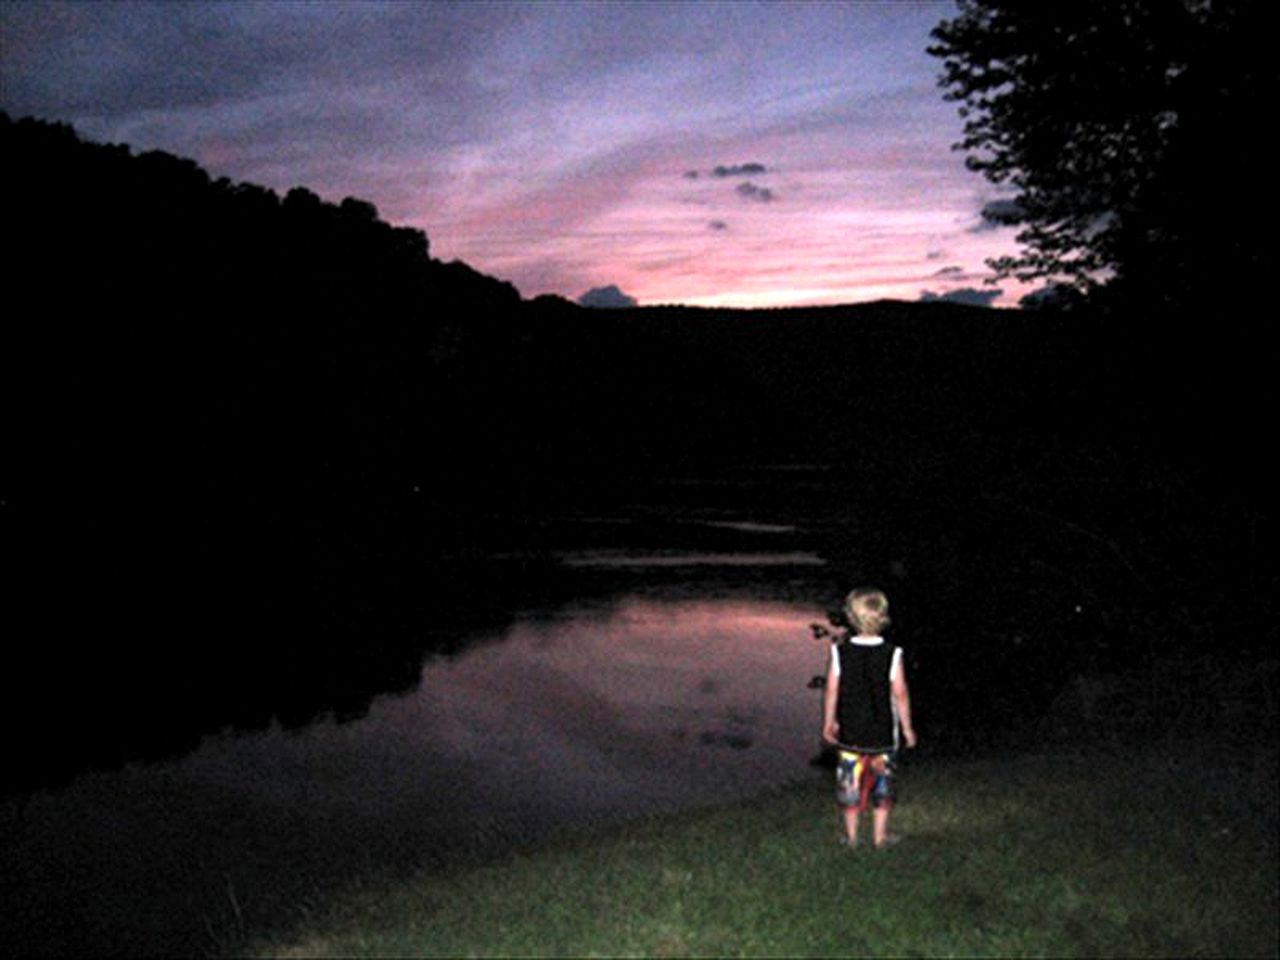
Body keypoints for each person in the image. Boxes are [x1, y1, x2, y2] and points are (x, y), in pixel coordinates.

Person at [821, 587, 917, 849]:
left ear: (851, 617)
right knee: (882, 786)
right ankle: (879, 837)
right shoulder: (892, 653)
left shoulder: (839, 652)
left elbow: (831, 690)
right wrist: (907, 728)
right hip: (883, 734)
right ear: (883, 617)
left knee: (850, 785)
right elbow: (900, 693)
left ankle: (851, 838)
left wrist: (828, 722)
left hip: (850, 733)